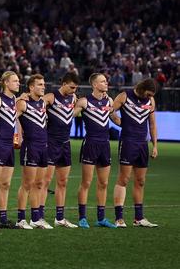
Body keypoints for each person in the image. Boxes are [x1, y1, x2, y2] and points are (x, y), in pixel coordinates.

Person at [111, 78, 159, 227]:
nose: (149, 97)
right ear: (142, 88)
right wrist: (118, 122)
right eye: (148, 93)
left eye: (151, 95)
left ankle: (139, 218)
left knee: (140, 181)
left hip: (142, 144)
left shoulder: (150, 101)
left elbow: (152, 124)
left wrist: (155, 145)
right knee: (123, 180)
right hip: (127, 142)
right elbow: (110, 110)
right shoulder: (124, 96)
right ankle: (119, 218)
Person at [74, 73, 119, 229]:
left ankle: (101, 218)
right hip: (90, 144)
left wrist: (131, 125)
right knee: (86, 182)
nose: (106, 83)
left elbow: (115, 119)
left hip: (105, 145)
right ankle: (82, 218)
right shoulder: (84, 101)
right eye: (103, 81)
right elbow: (68, 116)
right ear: (94, 84)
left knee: (104, 183)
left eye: (106, 81)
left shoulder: (109, 101)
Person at [41, 72, 80, 228]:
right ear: (63, 83)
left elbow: (73, 111)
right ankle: (39, 217)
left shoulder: (73, 98)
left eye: (76, 88)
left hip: (65, 143)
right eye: (71, 87)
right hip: (51, 143)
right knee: (45, 182)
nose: (73, 90)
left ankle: (59, 218)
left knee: (63, 182)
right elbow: (35, 105)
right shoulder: (51, 97)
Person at [15, 74, 51, 230]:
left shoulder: (42, 103)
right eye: (40, 84)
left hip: (43, 146)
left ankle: (36, 219)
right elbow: (9, 116)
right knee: (27, 184)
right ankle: (21, 219)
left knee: (39, 184)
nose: (43, 87)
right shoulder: (23, 103)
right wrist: (17, 100)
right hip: (30, 147)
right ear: (31, 87)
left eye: (43, 84)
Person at [0, 71, 21, 229]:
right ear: (5, 82)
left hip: (9, 145)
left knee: (5, 184)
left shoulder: (14, 100)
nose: (18, 83)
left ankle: (3, 219)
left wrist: (17, 138)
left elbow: (13, 120)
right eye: (15, 81)